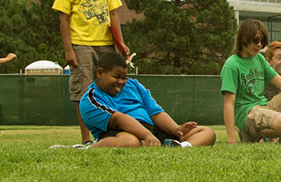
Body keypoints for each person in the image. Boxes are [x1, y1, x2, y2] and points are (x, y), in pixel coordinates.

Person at [54, 0, 129, 146]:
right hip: (81, 45)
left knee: (110, 89)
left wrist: (120, 43)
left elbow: (113, 14)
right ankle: (86, 138)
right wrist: (69, 49)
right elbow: (64, 19)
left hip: (105, 45)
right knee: (84, 92)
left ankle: (110, 134)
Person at [81, 50, 216, 148]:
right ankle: (92, 148)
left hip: (151, 130)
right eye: (117, 77)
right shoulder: (91, 98)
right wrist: (146, 135)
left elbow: (156, 113)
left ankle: (181, 147)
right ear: (100, 73)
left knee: (207, 132)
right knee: (130, 141)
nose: (122, 82)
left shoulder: (133, 85)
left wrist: (176, 130)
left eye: (124, 77)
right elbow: (119, 119)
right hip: (121, 133)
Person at [220, 19, 281, 143]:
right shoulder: (232, 65)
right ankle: (254, 134)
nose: (259, 45)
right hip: (248, 113)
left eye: (262, 41)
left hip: (265, 107)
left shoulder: (259, 58)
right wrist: (231, 138)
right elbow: (228, 104)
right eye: (255, 40)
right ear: (243, 38)